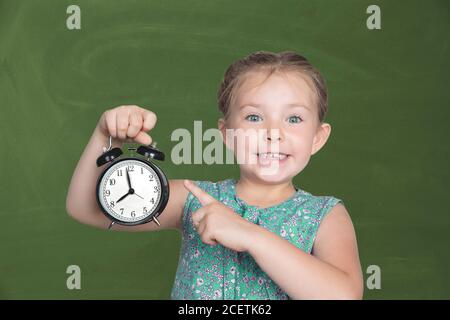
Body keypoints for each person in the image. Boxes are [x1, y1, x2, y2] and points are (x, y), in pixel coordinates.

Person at [66, 51, 363, 300]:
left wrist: (250, 235)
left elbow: (343, 296)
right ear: (227, 134)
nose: (274, 133)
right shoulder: (192, 198)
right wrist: (107, 138)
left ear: (317, 138)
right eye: (254, 117)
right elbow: (85, 208)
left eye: (294, 118)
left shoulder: (325, 215)